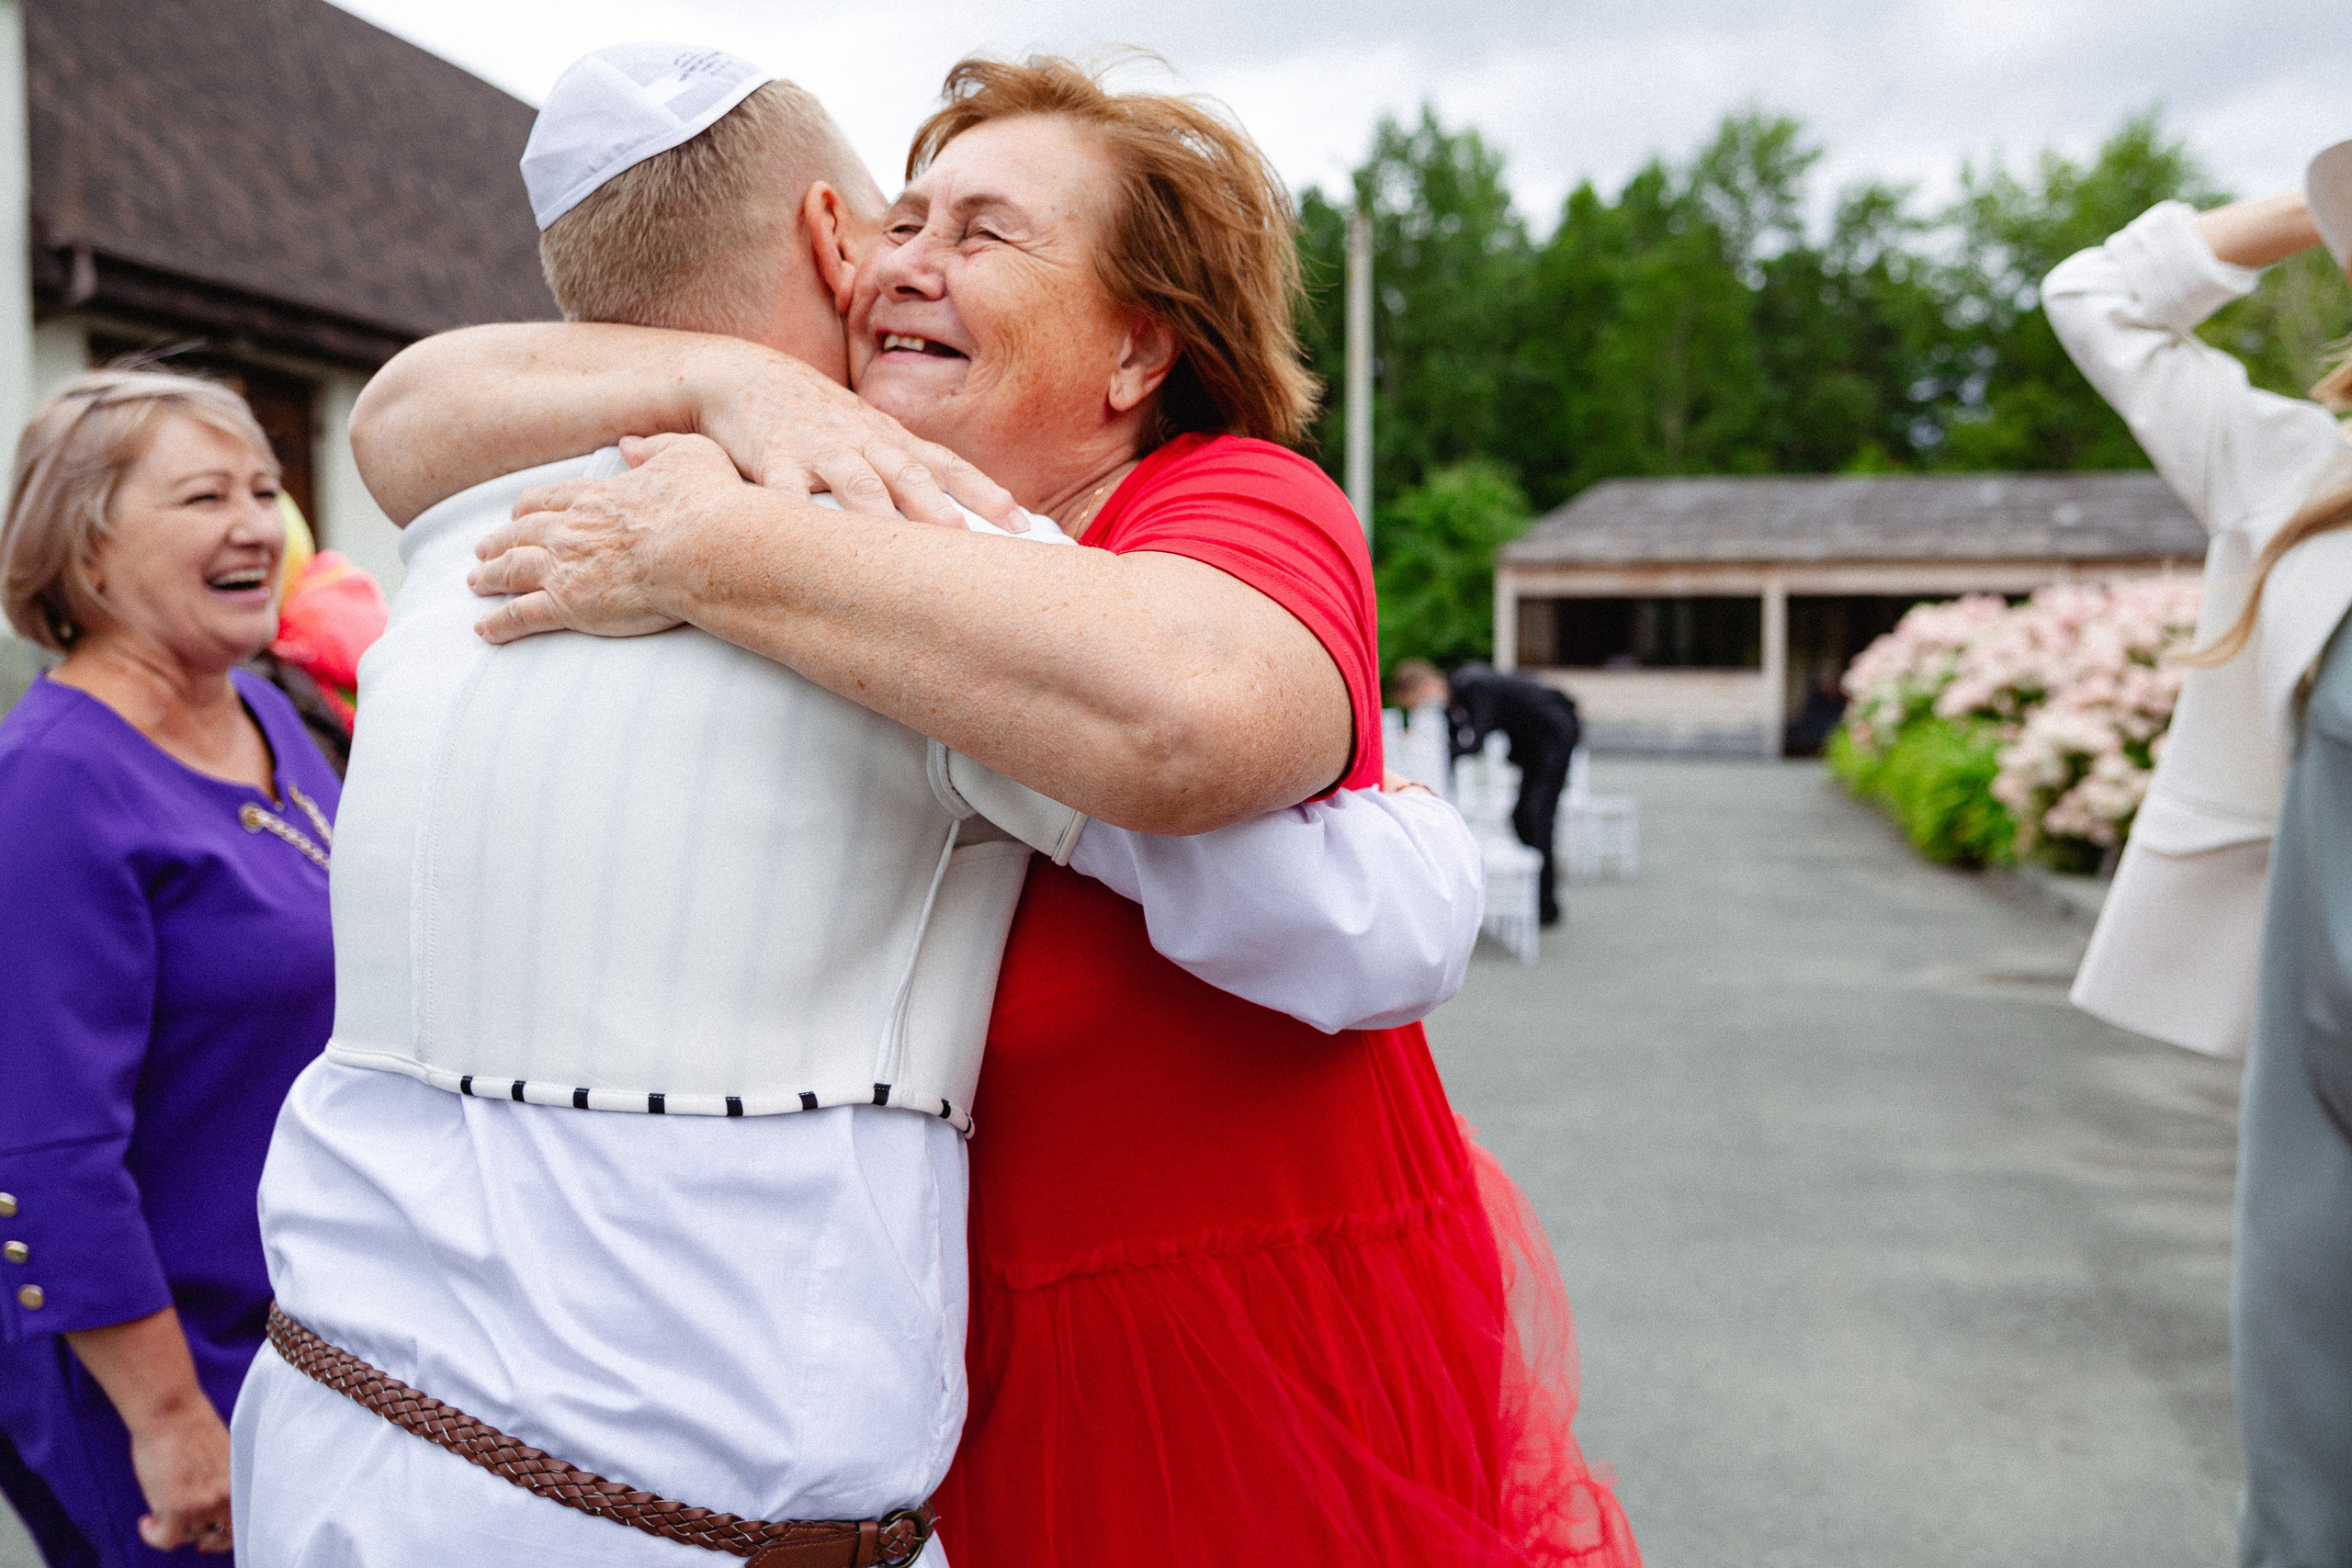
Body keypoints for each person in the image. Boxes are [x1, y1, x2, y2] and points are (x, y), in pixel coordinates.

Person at [351, 53, 1638, 1568]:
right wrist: (731, 382)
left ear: (1135, 352)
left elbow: (1209, 740)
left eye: (982, 234)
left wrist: (705, 547)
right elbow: (406, 415)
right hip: (951, 1376)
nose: (901, 262)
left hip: (1245, 1346)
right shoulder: (826, 491)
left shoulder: (1223, 499)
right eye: (901, 224)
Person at [2044, 146, 2352, 1565]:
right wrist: (2322, 206)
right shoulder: (2302, 472)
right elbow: (2097, 294)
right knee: (2310, 1502)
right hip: (2324, 1115)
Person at [0, 369, 343, 1563]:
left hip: (296, 1335)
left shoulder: (268, 713)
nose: (256, 519)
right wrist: (171, 1419)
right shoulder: (49, 782)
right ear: (84, 553)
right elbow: (43, 1147)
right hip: (150, 1361)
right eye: (204, 495)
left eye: (263, 485)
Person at [1392, 658, 1582, 925]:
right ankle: (1536, 899)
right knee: (1524, 817)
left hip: (1553, 734)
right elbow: (1458, 741)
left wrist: (1433, 750)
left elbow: (1473, 742)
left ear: (1423, 686)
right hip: (1533, 745)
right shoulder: (1457, 697)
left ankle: (1545, 905)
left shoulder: (1472, 686)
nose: (1422, 708)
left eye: (1416, 702)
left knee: (1535, 816)